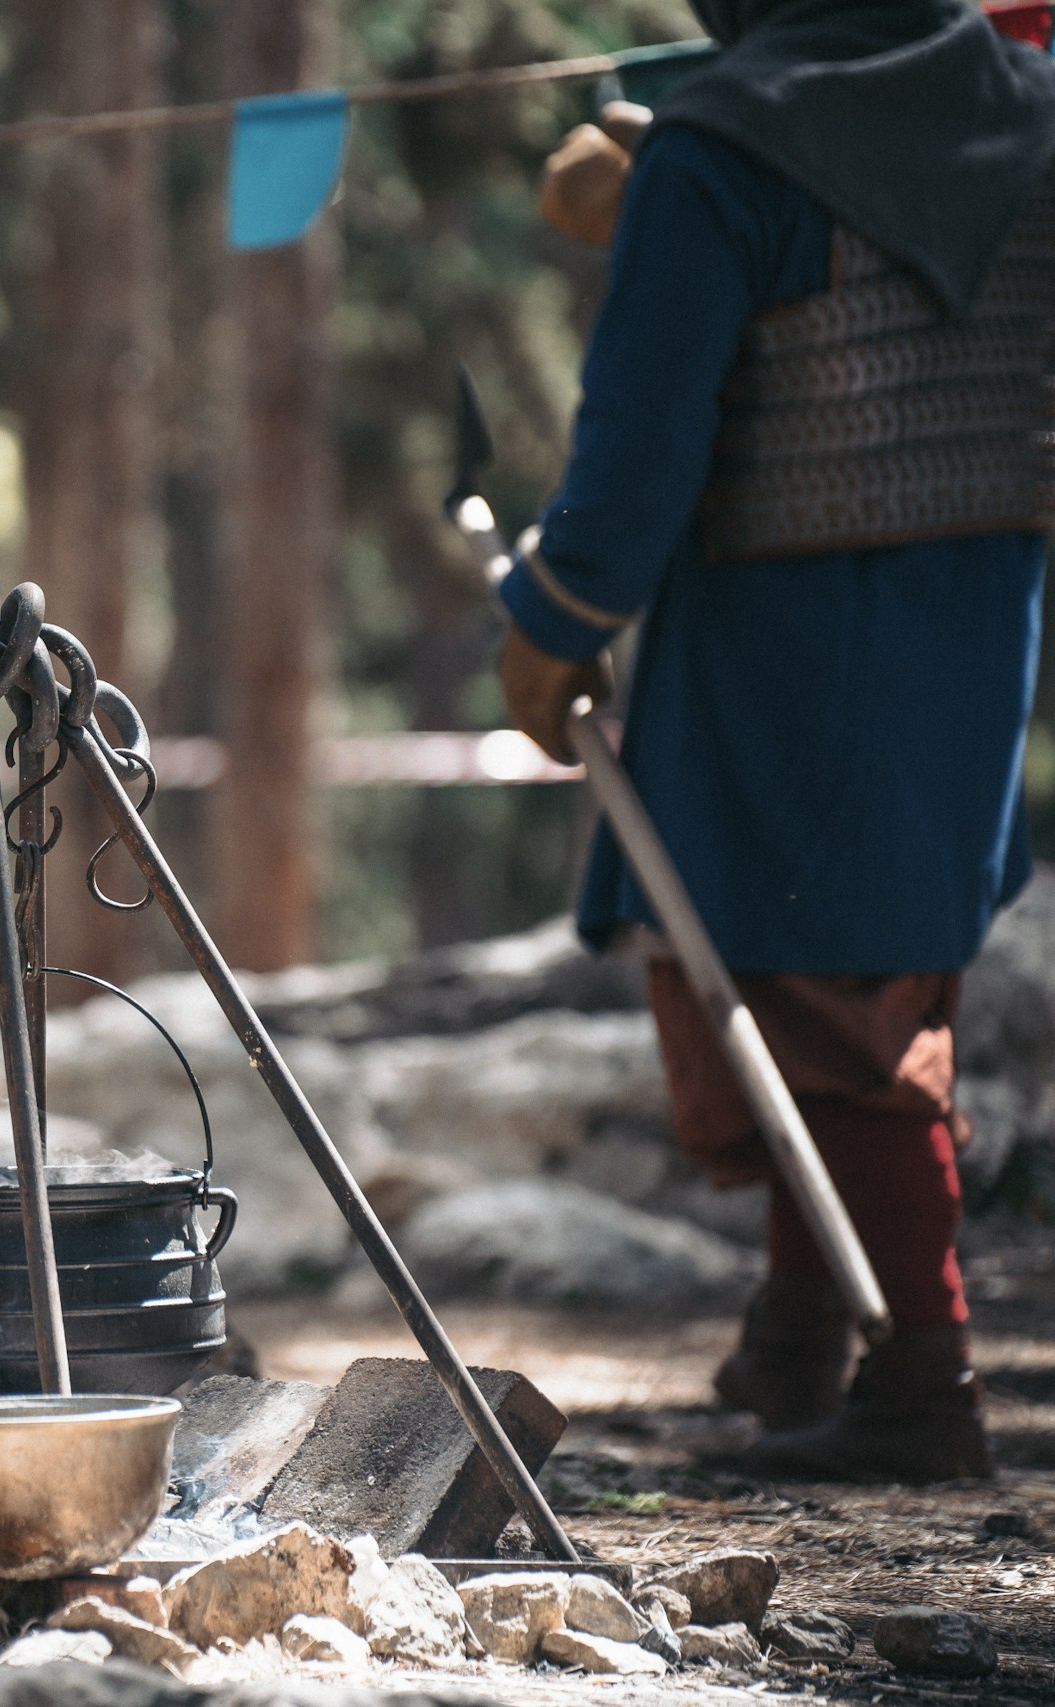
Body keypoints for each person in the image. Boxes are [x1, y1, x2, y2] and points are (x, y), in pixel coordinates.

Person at [501, 0, 1055, 1482]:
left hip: (782, 641)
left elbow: (640, 437)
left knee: (822, 1000)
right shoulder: (1027, 106)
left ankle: (924, 1382)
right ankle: (801, 1337)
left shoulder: (725, 148)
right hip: (975, 619)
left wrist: (549, 619)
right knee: (855, 968)